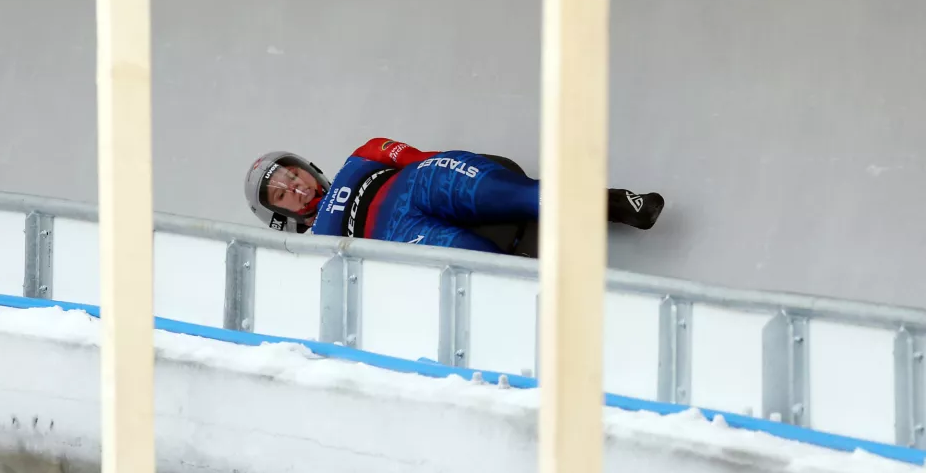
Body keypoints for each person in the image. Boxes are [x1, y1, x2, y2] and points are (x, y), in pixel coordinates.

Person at [243, 138, 664, 255]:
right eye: (282, 193)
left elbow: (411, 156)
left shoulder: (360, 157)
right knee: (473, 262)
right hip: (400, 234)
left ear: (306, 167)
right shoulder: (317, 249)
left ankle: (617, 203)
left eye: (292, 174)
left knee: (511, 195)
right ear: (280, 214)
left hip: (419, 182)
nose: (295, 186)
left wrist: (443, 163)